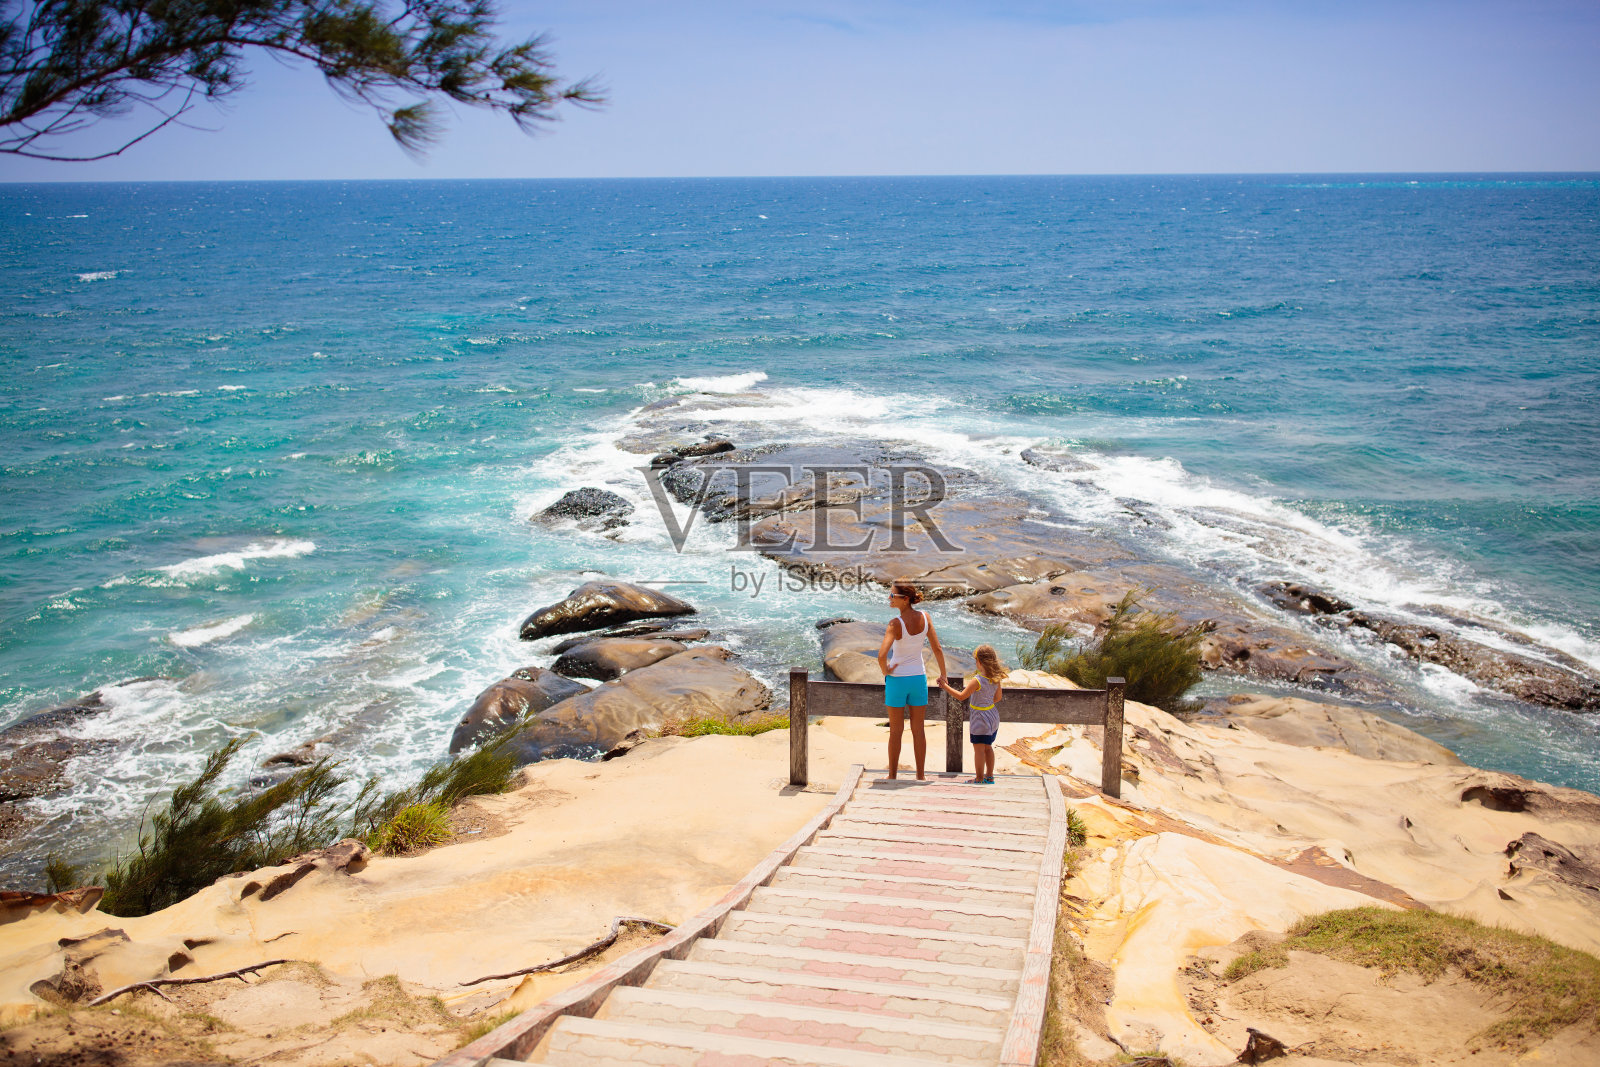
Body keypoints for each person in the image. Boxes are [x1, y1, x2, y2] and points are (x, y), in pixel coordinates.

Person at [876, 581, 948, 781]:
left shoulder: (895, 623)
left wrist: (886, 670)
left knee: (896, 732)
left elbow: (881, 656)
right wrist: (943, 675)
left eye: (892, 596)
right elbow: (938, 649)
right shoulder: (925, 617)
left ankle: (892, 776)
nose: (889, 599)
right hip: (918, 679)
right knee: (919, 731)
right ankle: (921, 776)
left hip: (897, 681)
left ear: (905, 599)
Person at [943, 645, 1005, 784]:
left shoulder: (977, 680)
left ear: (979, 662)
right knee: (988, 747)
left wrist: (945, 686)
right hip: (992, 716)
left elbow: (961, 696)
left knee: (979, 750)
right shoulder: (995, 678)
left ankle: (979, 778)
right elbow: (998, 698)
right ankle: (989, 776)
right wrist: (987, 701)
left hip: (980, 719)